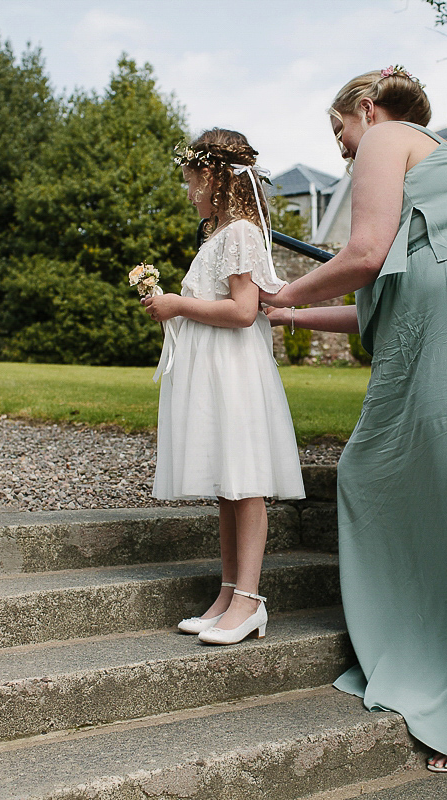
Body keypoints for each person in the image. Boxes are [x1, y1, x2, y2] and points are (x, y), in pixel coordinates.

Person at [260, 68, 447, 772]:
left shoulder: (387, 135)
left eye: (339, 131)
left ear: (365, 108)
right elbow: (381, 298)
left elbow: (364, 256)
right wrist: (290, 313)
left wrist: (282, 285)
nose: (341, 150)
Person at [142, 129, 305, 645]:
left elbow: (243, 311)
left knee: (245, 482)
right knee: (226, 488)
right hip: (213, 369)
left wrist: (176, 304)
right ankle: (228, 591)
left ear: (211, 176)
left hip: (235, 370)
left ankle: (250, 600)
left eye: (191, 182)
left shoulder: (238, 234)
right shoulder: (217, 237)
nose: (189, 193)